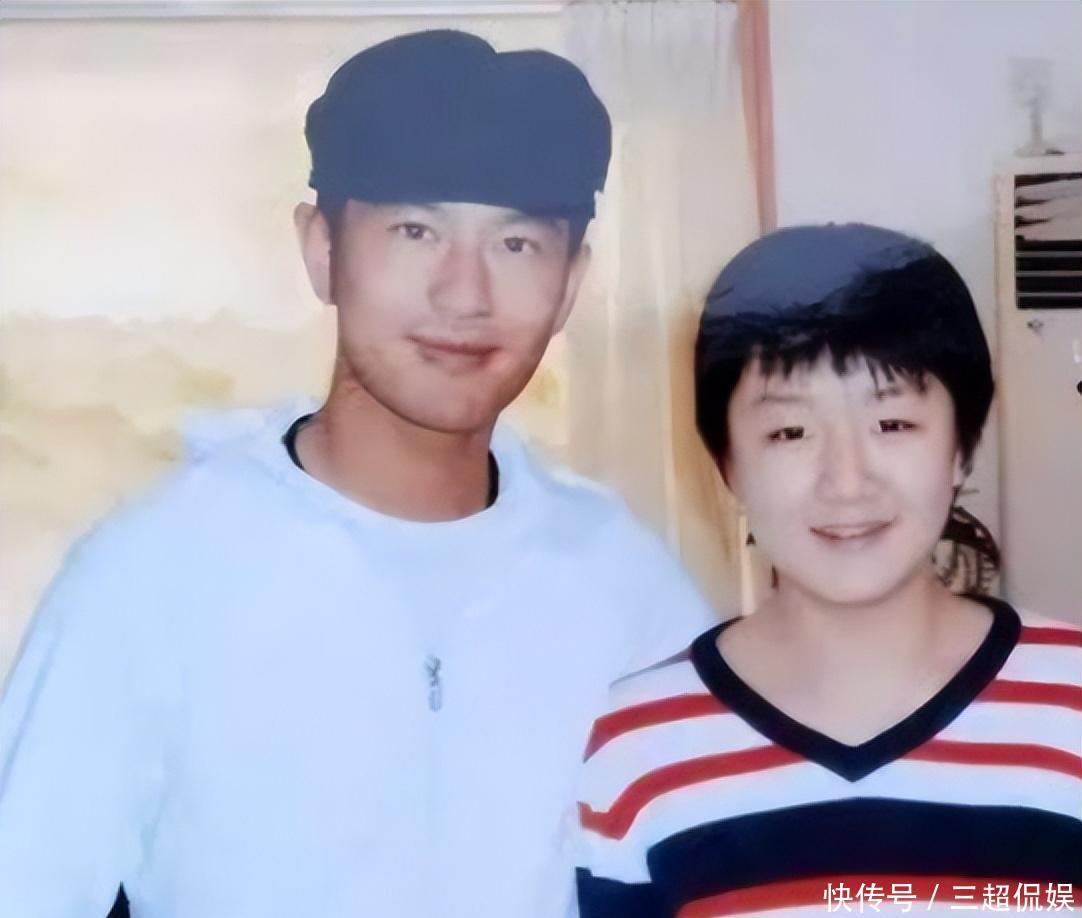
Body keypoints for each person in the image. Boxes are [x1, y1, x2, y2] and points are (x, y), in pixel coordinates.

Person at [0, 30, 715, 918]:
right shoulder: (155, 574)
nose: (465, 294)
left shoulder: (629, 592)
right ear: (322, 250)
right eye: (416, 232)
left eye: (517, 245)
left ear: (571, 283)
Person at [575, 224, 1082, 916]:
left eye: (892, 424)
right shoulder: (637, 748)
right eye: (790, 432)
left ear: (962, 448)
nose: (846, 481)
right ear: (727, 465)